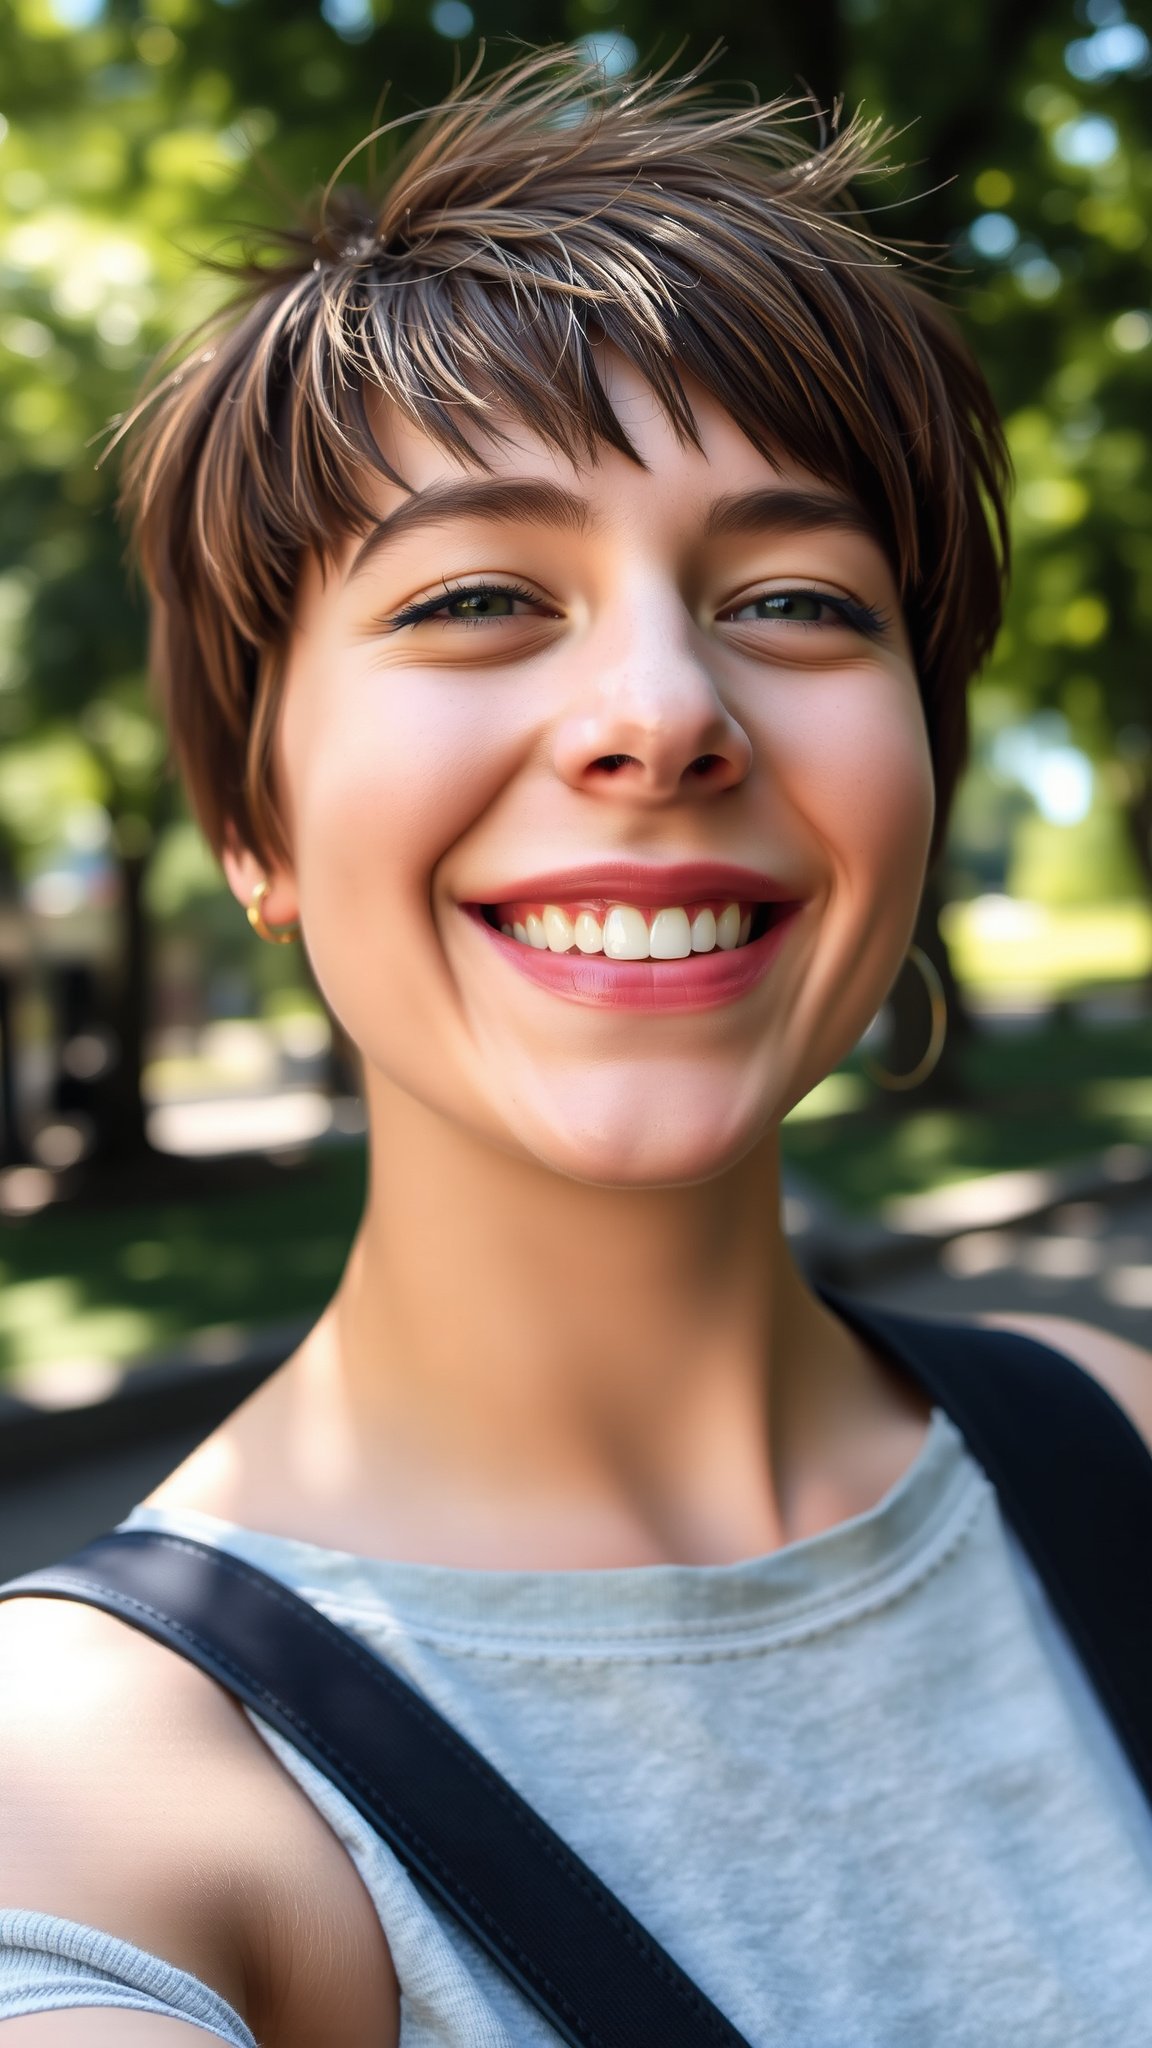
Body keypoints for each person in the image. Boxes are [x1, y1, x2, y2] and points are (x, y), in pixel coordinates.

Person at [2, 43, 1150, 2048]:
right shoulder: (95, 1785)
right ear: (254, 821)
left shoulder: (1118, 1444)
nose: (662, 712)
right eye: (474, 595)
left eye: (796, 598)